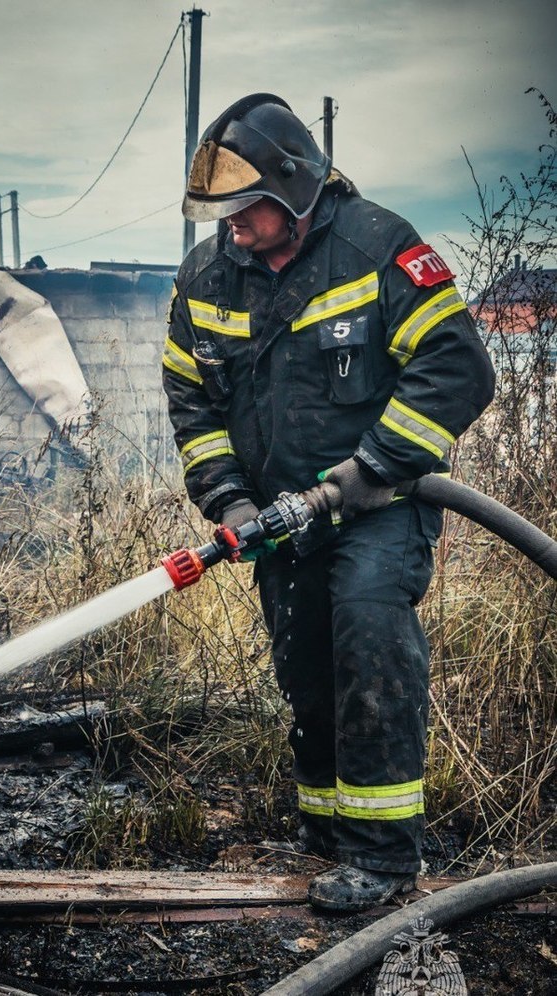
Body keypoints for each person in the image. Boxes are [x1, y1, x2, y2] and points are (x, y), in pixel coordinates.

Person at [162, 93, 496, 912]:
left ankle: (383, 860)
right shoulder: (209, 275)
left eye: (245, 209)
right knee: (303, 666)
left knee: (369, 652)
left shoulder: (379, 247)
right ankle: (324, 833)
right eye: (222, 211)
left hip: (379, 508)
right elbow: (190, 399)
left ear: (295, 189)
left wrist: (373, 466)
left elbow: (457, 366)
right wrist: (231, 500)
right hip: (278, 520)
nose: (231, 224)